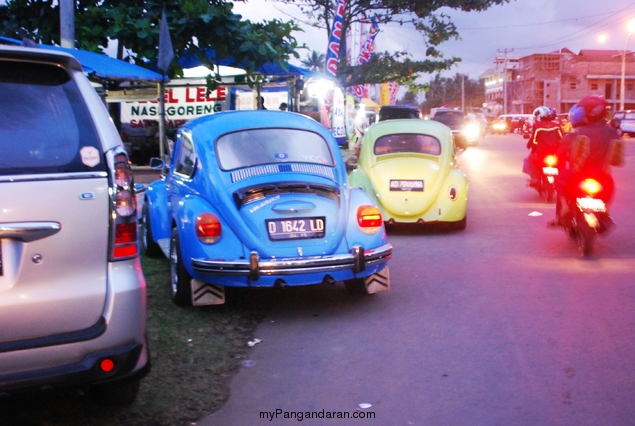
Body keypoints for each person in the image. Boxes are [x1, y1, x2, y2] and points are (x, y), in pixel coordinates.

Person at [552, 96, 621, 230]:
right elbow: (616, 156)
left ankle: (565, 208)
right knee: (609, 185)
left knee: (560, 179)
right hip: (601, 175)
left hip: (577, 174)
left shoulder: (576, 132)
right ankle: (604, 210)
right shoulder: (612, 132)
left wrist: (558, 163)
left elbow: (560, 154)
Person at [524, 106, 563, 187]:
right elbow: (562, 138)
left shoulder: (537, 126)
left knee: (528, 161)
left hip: (541, 152)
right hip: (555, 152)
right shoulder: (557, 125)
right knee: (563, 163)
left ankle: (535, 178)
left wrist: (530, 147)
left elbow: (534, 140)